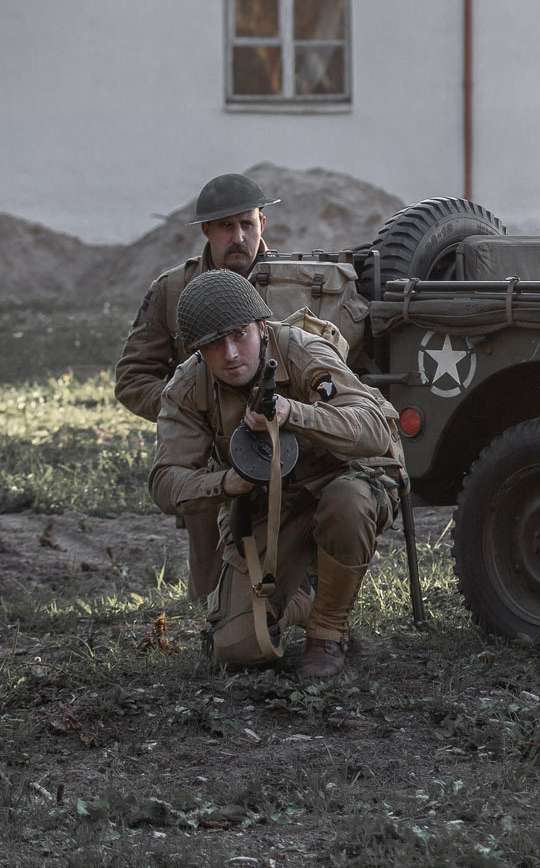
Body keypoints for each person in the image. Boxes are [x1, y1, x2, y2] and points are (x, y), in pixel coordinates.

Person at [150, 269, 401, 679]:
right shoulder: (187, 388)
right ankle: (307, 595)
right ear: (196, 351)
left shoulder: (301, 350)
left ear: (261, 327)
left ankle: (327, 631)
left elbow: (371, 429)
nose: (230, 354)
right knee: (237, 649)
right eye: (214, 345)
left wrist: (295, 413)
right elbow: (164, 481)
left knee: (348, 500)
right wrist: (226, 483)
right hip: (268, 511)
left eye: (239, 335)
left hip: (339, 486)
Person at [115, 173, 279, 600]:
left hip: (283, 436)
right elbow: (133, 379)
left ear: (264, 221)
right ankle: (218, 613)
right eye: (225, 226)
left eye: (247, 223)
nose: (238, 236)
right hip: (209, 455)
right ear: (206, 231)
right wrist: (188, 412)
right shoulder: (173, 290)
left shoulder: (296, 283)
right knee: (212, 593)